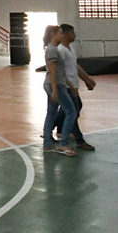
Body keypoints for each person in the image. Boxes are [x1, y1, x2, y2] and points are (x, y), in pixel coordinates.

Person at [54, 28, 97, 152]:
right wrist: (70, 87)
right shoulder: (61, 51)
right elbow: (60, 71)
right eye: (72, 33)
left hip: (72, 85)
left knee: (69, 110)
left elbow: (75, 66)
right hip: (66, 86)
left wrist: (87, 79)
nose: (75, 35)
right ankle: (79, 140)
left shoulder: (71, 50)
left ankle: (57, 128)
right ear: (66, 34)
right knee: (72, 111)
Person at [42, 24, 78, 157]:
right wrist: (56, 90)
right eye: (60, 33)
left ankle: (47, 144)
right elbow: (52, 71)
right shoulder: (52, 50)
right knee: (71, 111)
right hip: (55, 84)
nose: (62, 35)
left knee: (51, 113)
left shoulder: (54, 49)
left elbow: (60, 71)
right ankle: (63, 143)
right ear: (53, 34)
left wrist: (71, 86)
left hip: (57, 83)